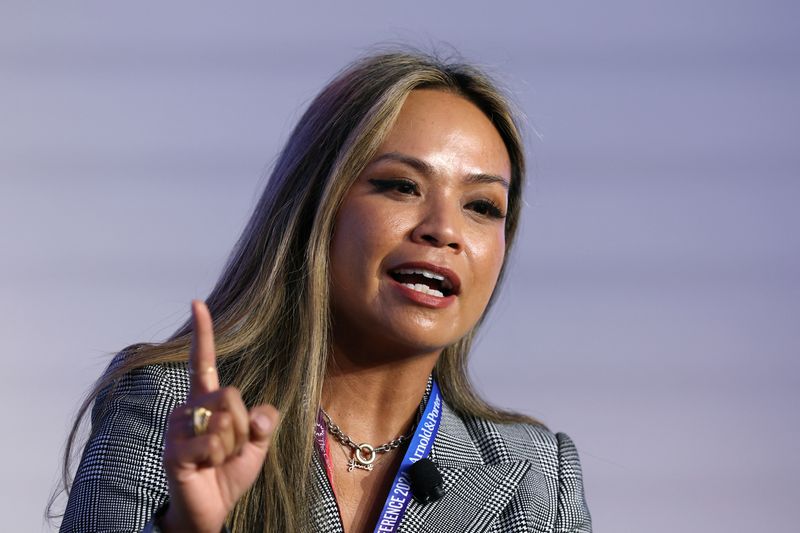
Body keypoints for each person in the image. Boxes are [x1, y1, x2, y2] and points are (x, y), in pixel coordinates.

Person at [56, 50, 592, 532]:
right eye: (402, 186)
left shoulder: (537, 477)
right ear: (317, 207)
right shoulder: (175, 412)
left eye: (481, 207)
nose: (443, 230)